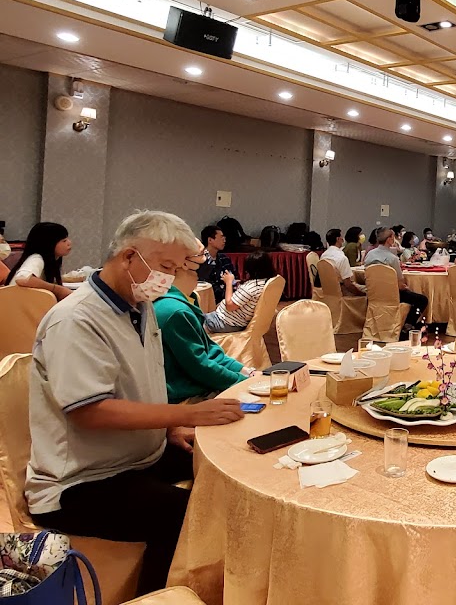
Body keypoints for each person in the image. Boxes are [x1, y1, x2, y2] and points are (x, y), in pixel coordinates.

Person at [26, 210, 244, 596]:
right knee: (186, 515)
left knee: (227, 467)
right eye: (164, 266)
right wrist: (187, 412)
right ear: (128, 257)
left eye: (177, 268)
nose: (170, 278)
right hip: (80, 481)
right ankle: (157, 598)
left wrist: (169, 426)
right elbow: (89, 410)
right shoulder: (77, 319)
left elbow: (136, 384)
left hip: (135, 457)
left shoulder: (139, 307)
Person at [155, 240, 254, 404]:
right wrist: (243, 383)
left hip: (200, 386)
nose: (207, 260)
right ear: (181, 263)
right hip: (184, 398)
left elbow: (209, 350)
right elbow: (201, 367)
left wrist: (246, 372)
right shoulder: (174, 310)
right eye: (201, 255)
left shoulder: (187, 299)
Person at [364, 227, 428, 329]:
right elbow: (400, 283)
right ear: (389, 239)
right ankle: (408, 325)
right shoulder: (392, 259)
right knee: (422, 300)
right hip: (391, 294)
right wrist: (406, 287)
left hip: (373, 293)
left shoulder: (370, 254)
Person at [203, 251, 277, 333]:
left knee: (192, 321)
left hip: (226, 322)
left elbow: (230, 306)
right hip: (231, 320)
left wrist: (229, 283)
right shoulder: (265, 282)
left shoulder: (251, 287)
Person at [4, 221, 73, 300]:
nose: (69, 243)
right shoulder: (36, 259)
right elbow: (23, 279)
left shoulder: (51, 261)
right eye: (64, 241)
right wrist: (58, 289)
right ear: (48, 244)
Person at [321, 228, 366, 295]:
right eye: (341, 236)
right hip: (342, 290)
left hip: (326, 289)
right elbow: (348, 285)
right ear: (338, 239)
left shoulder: (323, 255)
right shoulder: (342, 258)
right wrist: (361, 294)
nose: (343, 239)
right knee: (371, 290)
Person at [200, 224, 237, 303]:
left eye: (224, 238)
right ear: (210, 240)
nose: (224, 240)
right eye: (221, 237)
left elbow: (234, 277)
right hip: (210, 299)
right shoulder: (200, 260)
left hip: (228, 297)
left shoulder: (224, 259)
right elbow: (206, 284)